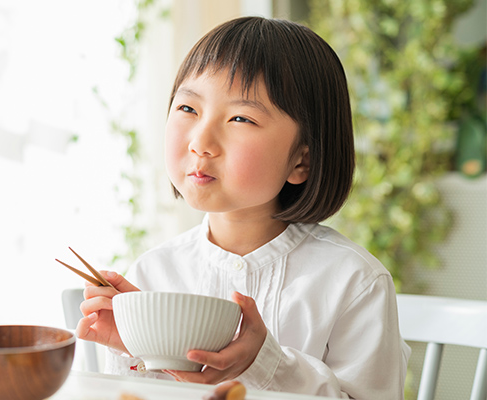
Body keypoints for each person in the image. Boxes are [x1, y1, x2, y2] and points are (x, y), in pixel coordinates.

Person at [76, 16, 411, 399]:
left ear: (302, 161)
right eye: (188, 108)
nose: (201, 142)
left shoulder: (353, 282)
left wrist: (264, 364)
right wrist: (139, 346)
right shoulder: (153, 273)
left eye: (241, 118)